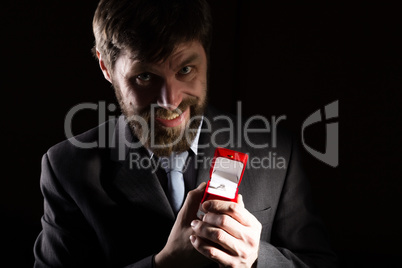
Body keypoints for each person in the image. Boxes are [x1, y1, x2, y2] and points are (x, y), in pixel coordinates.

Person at [33, 0, 339, 267]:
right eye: (145, 76)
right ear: (106, 67)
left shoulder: (276, 150)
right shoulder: (66, 167)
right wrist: (163, 265)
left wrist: (258, 259)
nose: (171, 101)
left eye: (185, 70)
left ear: (205, 55)